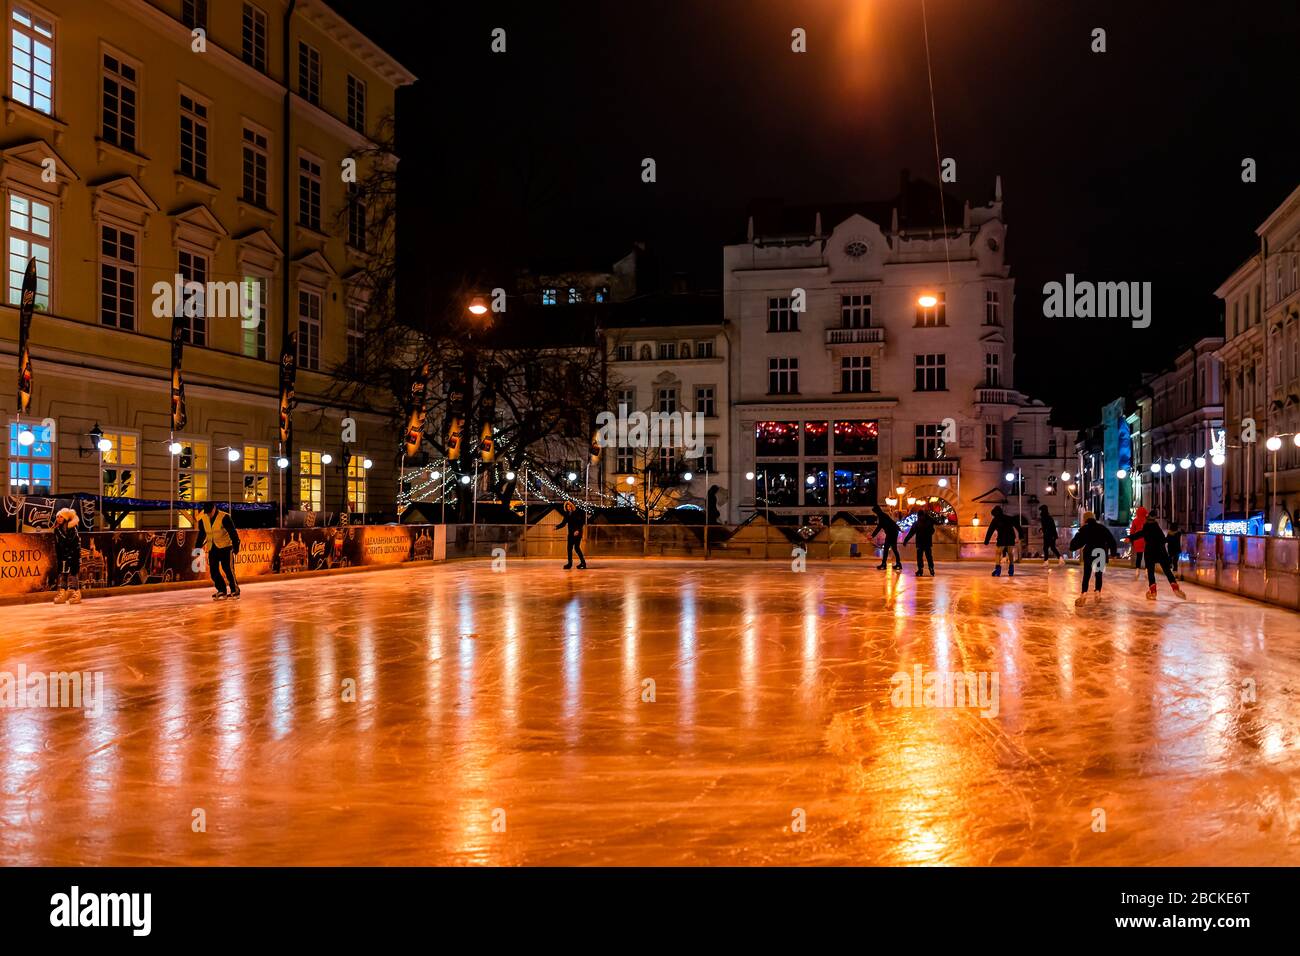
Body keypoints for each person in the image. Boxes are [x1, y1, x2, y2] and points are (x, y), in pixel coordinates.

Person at [1069, 511, 1117, 606]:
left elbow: (1076, 542)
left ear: (1085, 519)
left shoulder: (1085, 529)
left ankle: (1084, 594)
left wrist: (1072, 546)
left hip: (1090, 553)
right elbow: (1111, 540)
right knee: (1098, 574)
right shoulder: (1102, 528)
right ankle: (1098, 592)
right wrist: (1113, 553)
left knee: (1087, 575)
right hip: (1101, 553)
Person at [196, 501, 241, 600]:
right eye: (206, 512)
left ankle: (235, 590)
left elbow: (232, 532)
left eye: (209, 512)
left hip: (225, 547)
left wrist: (236, 545)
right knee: (213, 571)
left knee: (228, 569)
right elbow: (202, 534)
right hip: (212, 548)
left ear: (214, 509)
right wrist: (198, 547)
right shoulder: (203, 519)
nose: (208, 514)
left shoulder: (224, 517)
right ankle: (222, 590)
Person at [1137, 512, 1186, 601]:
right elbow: (1163, 540)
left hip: (1151, 553)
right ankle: (1175, 588)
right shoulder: (1157, 528)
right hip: (1162, 553)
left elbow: (1140, 534)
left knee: (1151, 572)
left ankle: (1153, 591)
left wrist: (1131, 537)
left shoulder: (1147, 527)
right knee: (1167, 571)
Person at [52, 507, 83, 605]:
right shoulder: (57, 530)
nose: (59, 519)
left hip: (73, 555)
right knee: (63, 574)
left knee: (73, 574)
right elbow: (58, 544)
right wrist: (59, 556)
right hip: (63, 556)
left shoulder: (72, 529)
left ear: (65, 518)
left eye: (61, 517)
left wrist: (72, 555)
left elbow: (73, 543)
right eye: (57, 517)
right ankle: (63, 593)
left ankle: (76, 593)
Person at [983, 505, 1019, 576]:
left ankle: (998, 569)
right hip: (1010, 538)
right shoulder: (1008, 518)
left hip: (1002, 538)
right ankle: (1011, 569)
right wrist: (1020, 534)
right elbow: (1016, 525)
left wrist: (986, 540)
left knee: (998, 553)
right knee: (1010, 553)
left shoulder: (995, 520)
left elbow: (990, 530)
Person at [902, 508, 936, 576]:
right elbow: (932, 530)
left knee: (922, 557)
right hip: (926, 543)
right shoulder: (928, 522)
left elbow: (911, 533)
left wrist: (906, 540)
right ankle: (930, 568)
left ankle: (922, 570)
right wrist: (906, 540)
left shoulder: (917, 523)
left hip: (921, 543)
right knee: (928, 556)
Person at [556, 500, 587, 570]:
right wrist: (557, 527)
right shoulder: (567, 514)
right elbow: (563, 523)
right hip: (570, 534)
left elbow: (581, 522)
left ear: (572, 506)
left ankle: (583, 563)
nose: (568, 508)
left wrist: (578, 530)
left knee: (576, 548)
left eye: (569, 506)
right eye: (567, 507)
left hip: (577, 533)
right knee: (569, 548)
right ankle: (570, 563)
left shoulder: (577, 512)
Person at [871, 503, 902, 571]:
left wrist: (872, 535)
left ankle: (885, 564)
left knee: (890, 548)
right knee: (892, 548)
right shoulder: (883, 515)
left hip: (892, 533)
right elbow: (892, 522)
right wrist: (898, 528)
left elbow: (879, 527)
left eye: (875, 512)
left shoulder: (882, 516)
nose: (875, 513)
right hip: (892, 532)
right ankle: (897, 564)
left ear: (877, 511)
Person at [1125, 506, 1148, 579]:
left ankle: (1137, 570)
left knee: (1139, 556)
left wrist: (1131, 539)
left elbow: (1132, 531)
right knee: (1147, 556)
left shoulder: (1135, 520)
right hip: (1146, 540)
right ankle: (1147, 571)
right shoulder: (1147, 521)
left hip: (1137, 540)